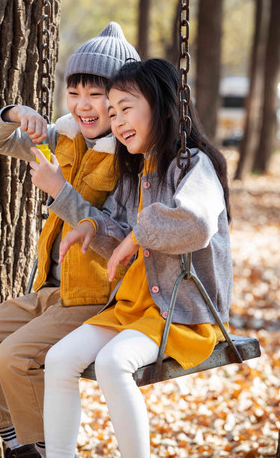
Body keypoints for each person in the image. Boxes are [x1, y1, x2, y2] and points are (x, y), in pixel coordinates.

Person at [0, 22, 140, 458]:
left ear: (122, 100)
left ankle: (47, 448)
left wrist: (59, 192)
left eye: (98, 94)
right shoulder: (64, 136)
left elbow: (125, 244)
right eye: (76, 93)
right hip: (50, 291)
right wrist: (14, 113)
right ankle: (21, 447)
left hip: (97, 296)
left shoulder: (131, 157)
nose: (85, 105)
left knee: (14, 357)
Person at [43, 58, 233, 458]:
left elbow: (196, 223)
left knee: (113, 364)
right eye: (112, 112)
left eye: (126, 108)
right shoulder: (135, 174)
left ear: (165, 107)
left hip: (182, 313)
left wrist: (137, 235)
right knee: (59, 359)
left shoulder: (193, 166)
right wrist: (93, 227)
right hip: (132, 308)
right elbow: (123, 243)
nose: (117, 119)